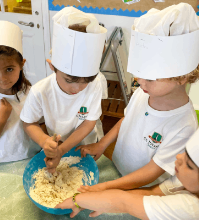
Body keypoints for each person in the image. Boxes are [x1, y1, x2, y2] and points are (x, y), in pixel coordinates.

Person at [76, 3, 199, 190]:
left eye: (149, 76)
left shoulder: (184, 126)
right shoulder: (143, 92)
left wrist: (107, 188)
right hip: (118, 170)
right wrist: (102, 144)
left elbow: (151, 172)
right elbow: (127, 119)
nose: (138, 79)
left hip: (143, 189)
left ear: (181, 77)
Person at [20, 7, 107, 173]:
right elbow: (28, 122)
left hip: (85, 144)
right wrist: (44, 141)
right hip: (57, 144)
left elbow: (89, 122)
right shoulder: (40, 91)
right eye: (69, 80)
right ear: (52, 66)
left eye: (86, 81)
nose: (77, 88)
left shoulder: (95, 84)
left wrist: (63, 149)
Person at [56, 129, 199, 220]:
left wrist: (77, 199)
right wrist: (103, 199)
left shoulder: (191, 209)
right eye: (184, 153)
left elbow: (123, 202)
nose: (179, 158)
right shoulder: (183, 182)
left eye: (189, 165)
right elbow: (153, 192)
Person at [0, 21, 41, 164]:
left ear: (21, 64)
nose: (2, 78)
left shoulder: (33, 93)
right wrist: (0, 120)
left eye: (9, 69)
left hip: (33, 157)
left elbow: (42, 124)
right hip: (2, 162)